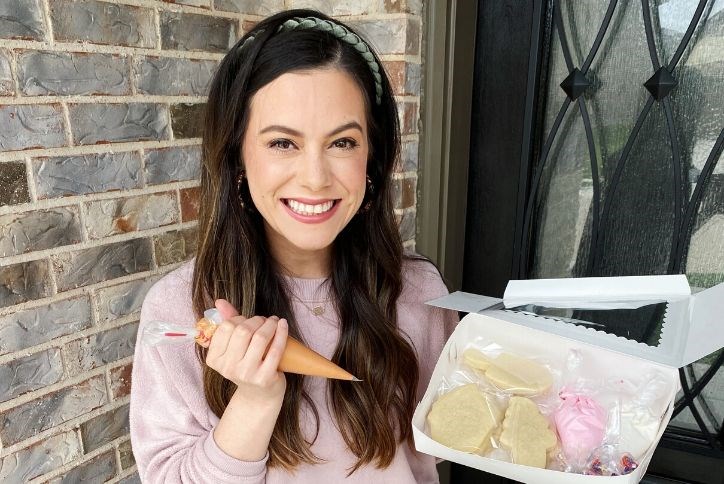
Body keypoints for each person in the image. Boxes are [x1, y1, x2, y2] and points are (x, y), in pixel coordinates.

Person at [129, 9, 458, 483]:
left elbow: (442, 440)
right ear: (238, 157)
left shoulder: (420, 290)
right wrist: (256, 400)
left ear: (372, 157)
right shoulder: (179, 310)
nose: (315, 178)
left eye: (343, 142)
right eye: (283, 143)